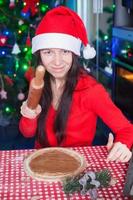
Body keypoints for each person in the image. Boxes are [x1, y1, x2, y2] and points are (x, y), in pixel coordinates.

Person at [19, 6, 133, 162]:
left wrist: (122, 144)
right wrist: (29, 114)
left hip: (77, 167)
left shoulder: (91, 90)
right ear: (40, 54)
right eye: (48, 52)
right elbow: (27, 133)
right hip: (41, 163)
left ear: (74, 53)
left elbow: (127, 129)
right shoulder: (37, 82)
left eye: (64, 51)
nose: (57, 62)